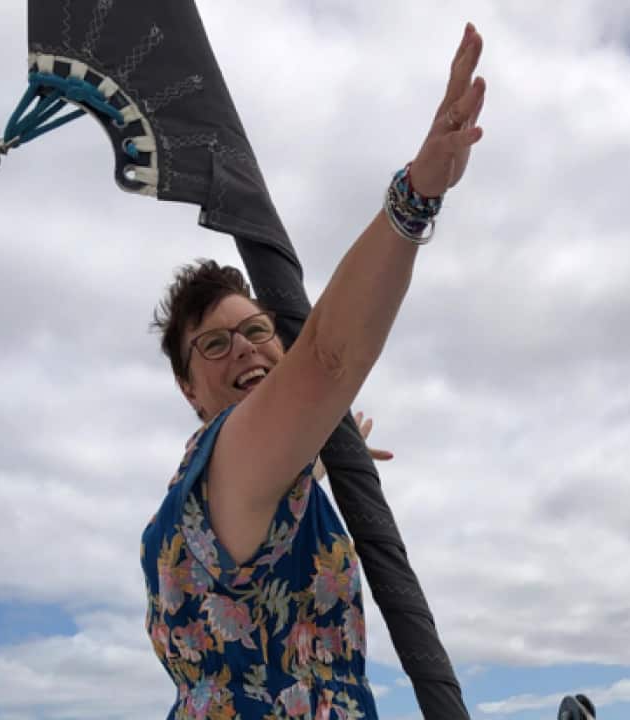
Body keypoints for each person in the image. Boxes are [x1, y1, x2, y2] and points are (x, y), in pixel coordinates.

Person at [140, 22, 487, 719]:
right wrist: (416, 195)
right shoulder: (226, 466)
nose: (244, 349)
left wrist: (320, 454)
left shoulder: (247, 489)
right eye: (213, 346)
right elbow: (327, 358)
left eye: (257, 330)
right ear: (187, 387)